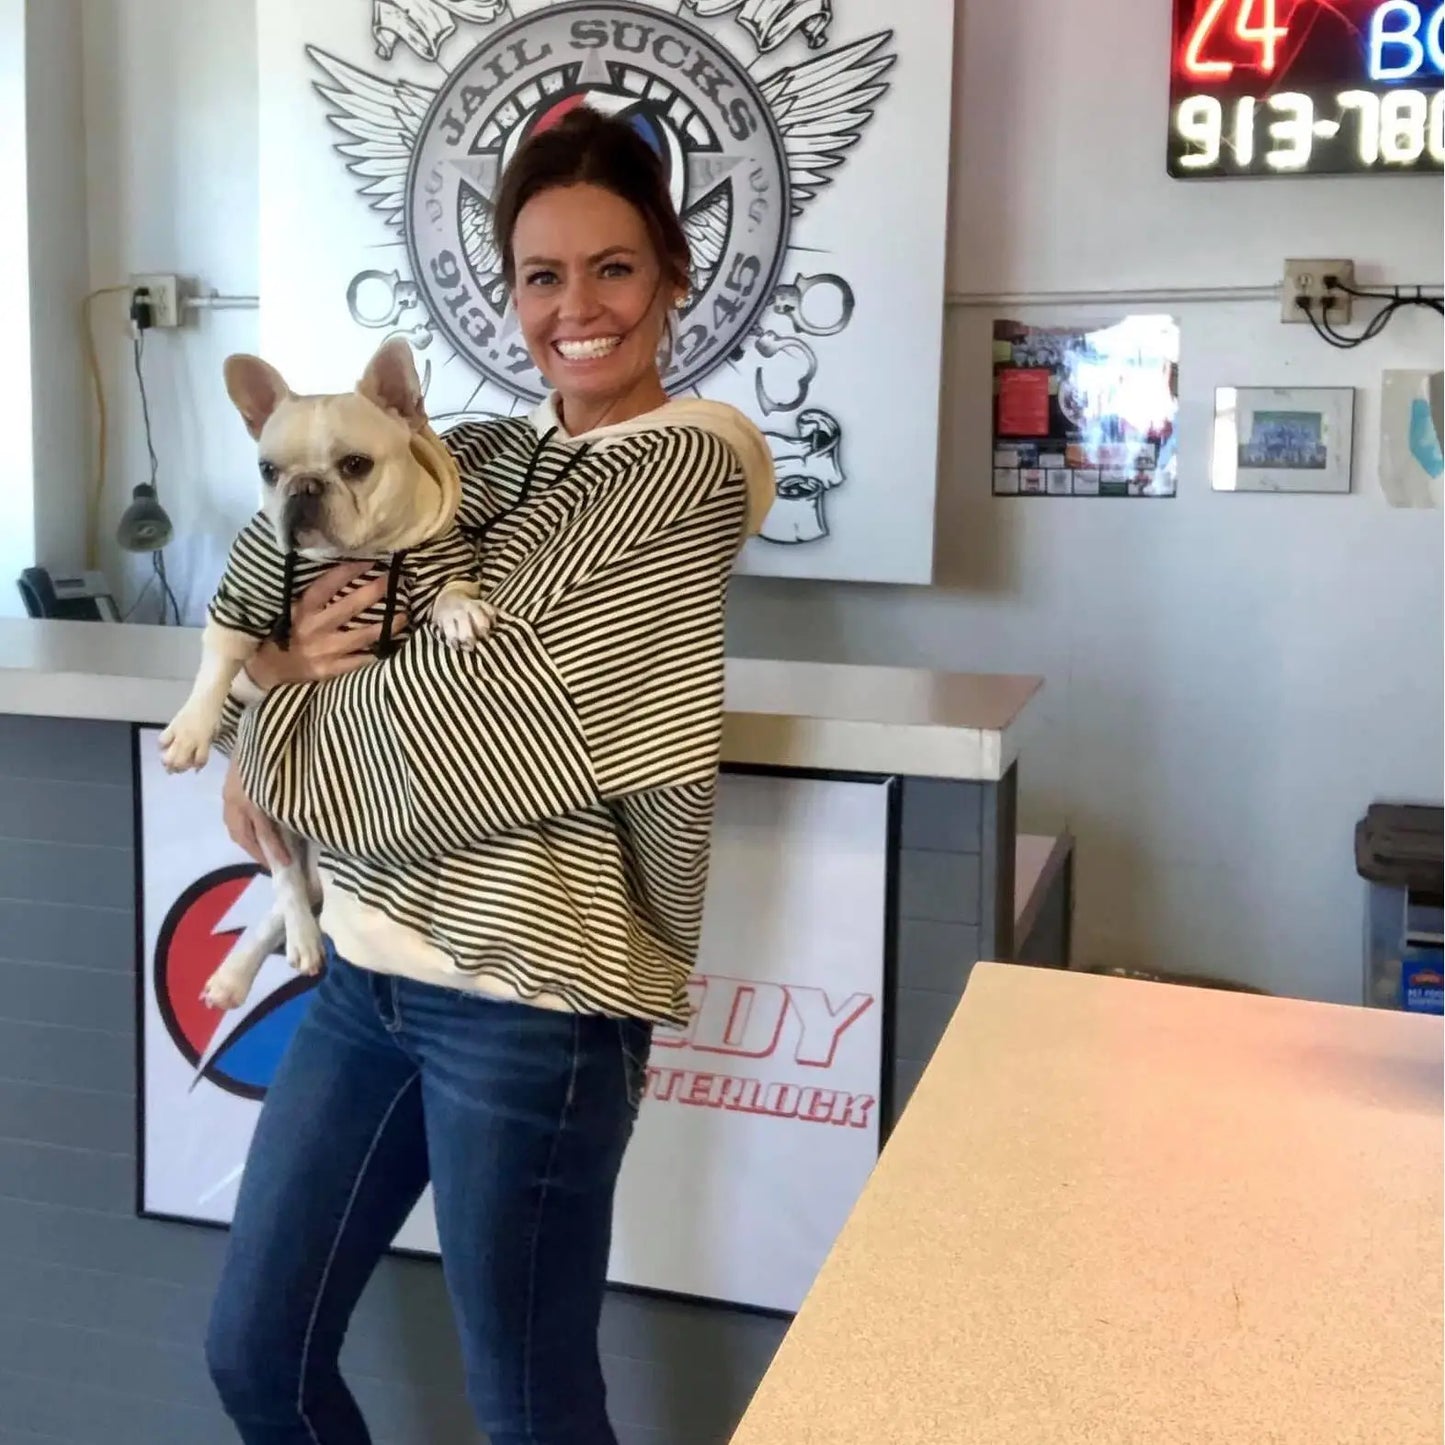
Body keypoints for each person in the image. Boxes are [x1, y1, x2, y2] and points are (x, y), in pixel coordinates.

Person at [202, 104, 776, 1445]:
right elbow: (281, 607)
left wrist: (278, 725)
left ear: (675, 273)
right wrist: (270, 681)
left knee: (527, 1408)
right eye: (541, 274)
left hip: (529, 1003)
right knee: (254, 1350)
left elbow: (493, 735)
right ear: (506, 293)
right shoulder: (491, 458)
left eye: (613, 266)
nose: (575, 306)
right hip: (361, 975)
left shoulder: (690, 466)